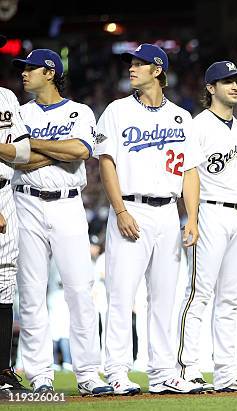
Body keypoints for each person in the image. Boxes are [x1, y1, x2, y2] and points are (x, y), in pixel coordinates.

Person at [95, 43, 203, 395]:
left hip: (168, 213)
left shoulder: (182, 117)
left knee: (164, 298)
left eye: (140, 64)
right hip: (131, 208)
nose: (132, 68)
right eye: (131, 63)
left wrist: (192, 218)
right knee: (121, 295)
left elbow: (189, 171)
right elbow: (106, 163)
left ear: (158, 70)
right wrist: (121, 210)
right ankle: (116, 371)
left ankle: (162, 372)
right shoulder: (117, 110)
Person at [11, 48, 113, 396]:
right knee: (31, 294)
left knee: (80, 290)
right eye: (22, 70)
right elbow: (16, 160)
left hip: (68, 204)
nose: (24, 74)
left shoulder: (78, 111)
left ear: (51, 72)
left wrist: (33, 145)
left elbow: (81, 152)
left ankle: (88, 373)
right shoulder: (17, 113)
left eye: (30, 69)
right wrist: (55, 150)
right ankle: (39, 373)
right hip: (24, 202)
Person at [176, 60, 237, 392]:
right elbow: (191, 175)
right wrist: (193, 219)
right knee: (199, 293)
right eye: (226, 81)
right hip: (210, 214)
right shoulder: (197, 125)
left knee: (233, 296)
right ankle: (187, 368)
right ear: (210, 88)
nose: (234, 86)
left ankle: (227, 371)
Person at [0, 33, 33, 397]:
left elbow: (22, 154)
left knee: (5, 284)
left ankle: (3, 372)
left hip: (5, 191)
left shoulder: (7, 97)